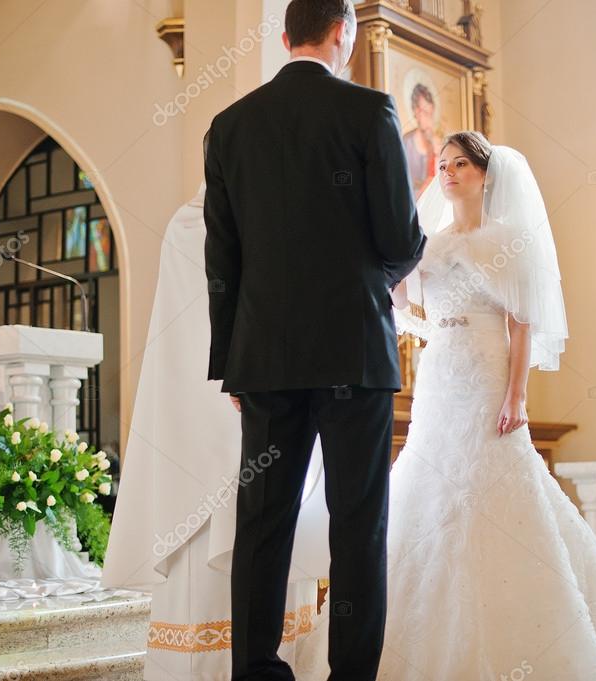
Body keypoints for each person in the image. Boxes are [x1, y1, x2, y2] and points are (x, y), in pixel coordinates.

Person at [202, 0, 426, 679]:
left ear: (284, 37)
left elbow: (222, 260)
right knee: (357, 522)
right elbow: (399, 238)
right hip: (353, 352)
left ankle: (255, 670)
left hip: (264, 358)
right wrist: (372, 274)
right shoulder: (369, 110)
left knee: (262, 521)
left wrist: (231, 363)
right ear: (342, 33)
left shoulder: (229, 126)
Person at [379, 131, 596, 679]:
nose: (448, 172)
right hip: (440, 370)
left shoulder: (507, 240)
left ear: (486, 175)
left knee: (494, 477)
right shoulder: (430, 242)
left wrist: (516, 394)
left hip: (488, 367)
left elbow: (521, 323)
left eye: (461, 163)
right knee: (430, 478)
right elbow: (406, 303)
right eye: (443, 164)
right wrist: (392, 266)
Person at [101, 177, 331, 681]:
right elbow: (193, 324)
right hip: (208, 400)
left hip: (267, 394)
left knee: (267, 518)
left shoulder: (267, 211)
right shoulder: (192, 222)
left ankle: (269, 661)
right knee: (213, 520)